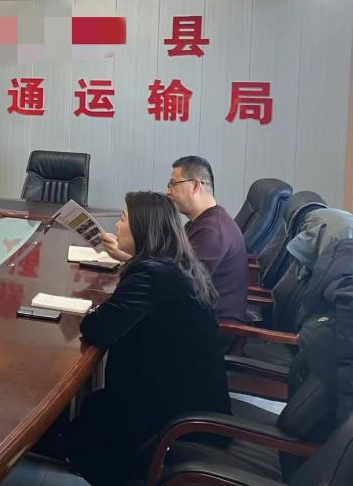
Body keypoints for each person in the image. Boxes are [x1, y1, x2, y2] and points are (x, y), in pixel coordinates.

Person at [67, 192, 230, 486]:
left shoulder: (151, 275)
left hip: (176, 416)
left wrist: (95, 310)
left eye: (123, 219)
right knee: (92, 409)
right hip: (191, 398)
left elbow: (98, 329)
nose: (117, 226)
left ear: (142, 228)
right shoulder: (173, 264)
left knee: (88, 426)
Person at [100, 156, 248, 322]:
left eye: (173, 184)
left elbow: (181, 283)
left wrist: (130, 257)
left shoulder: (213, 230)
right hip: (191, 314)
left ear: (195, 186)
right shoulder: (201, 222)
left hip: (211, 326)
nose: (168, 192)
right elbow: (172, 266)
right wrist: (129, 256)